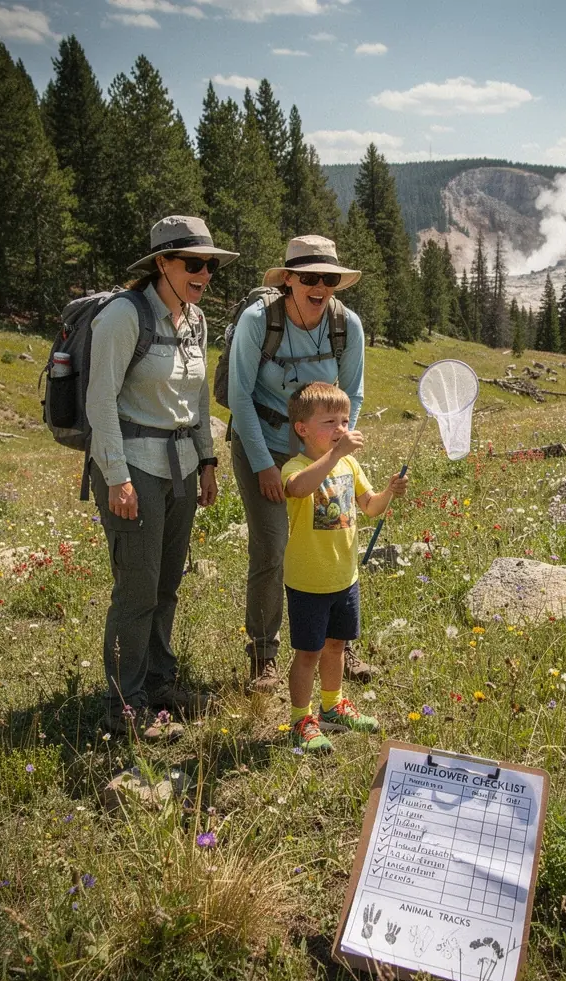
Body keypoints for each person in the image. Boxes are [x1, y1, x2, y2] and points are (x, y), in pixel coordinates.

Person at [87, 215, 239, 740]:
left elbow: (196, 398)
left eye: (209, 265)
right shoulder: (123, 316)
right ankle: (125, 707)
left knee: (167, 583)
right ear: (162, 264)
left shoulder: (193, 320)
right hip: (134, 469)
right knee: (137, 589)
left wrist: (209, 460)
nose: (204, 274)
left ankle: (158, 682)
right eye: (192, 264)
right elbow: (100, 399)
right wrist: (116, 476)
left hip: (181, 470)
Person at [228, 235, 378, 692]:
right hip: (265, 444)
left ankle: (338, 644)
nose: (319, 286)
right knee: (273, 548)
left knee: (334, 536)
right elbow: (239, 396)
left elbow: (352, 392)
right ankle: (263, 655)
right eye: (309, 277)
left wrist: (336, 448)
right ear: (288, 279)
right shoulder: (259, 322)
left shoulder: (346, 325)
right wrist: (264, 465)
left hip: (321, 451)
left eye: (328, 279)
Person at [280, 382, 408, 753]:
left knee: (336, 646)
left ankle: (332, 706)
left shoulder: (350, 464)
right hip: (308, 581)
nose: (340, 428)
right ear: (302, 428)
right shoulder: (297, 466)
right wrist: (335, 455)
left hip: (344, 578)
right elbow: (299, 489)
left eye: (345, 420)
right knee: (308, 653)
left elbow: (370, 507)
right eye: (329, 422)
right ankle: (300, 718)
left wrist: (388, 492)